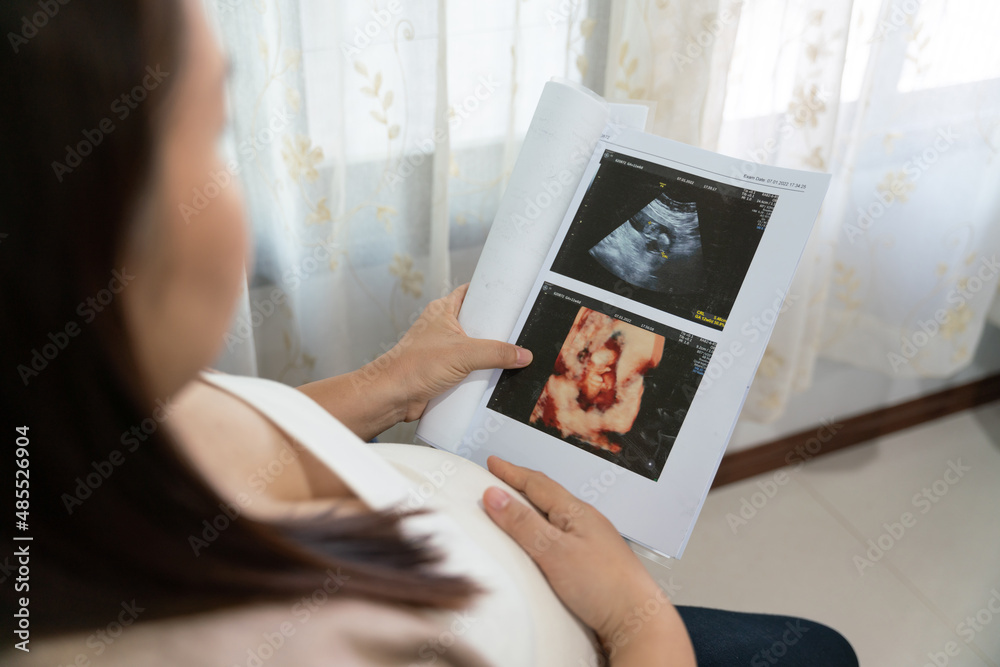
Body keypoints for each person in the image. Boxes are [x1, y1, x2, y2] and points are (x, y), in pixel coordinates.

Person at [0, 1, 858, 665]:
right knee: (821, 651)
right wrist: (637, 618)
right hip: (582, 620)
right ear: (90, 225)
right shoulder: (270, 638)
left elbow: (210, 467)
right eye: (213, 133)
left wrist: (391, 379)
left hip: (494, 565)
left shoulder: (59, 437)